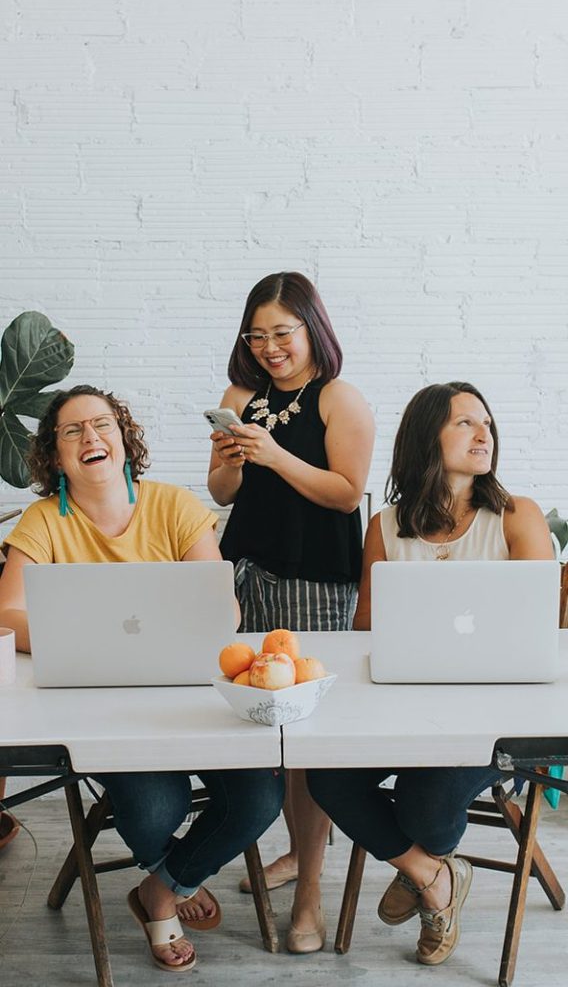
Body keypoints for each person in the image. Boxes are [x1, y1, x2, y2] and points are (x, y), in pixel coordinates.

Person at [0, 384, 284, 974]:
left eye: (101, 425)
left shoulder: (174, 505)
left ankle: (160, 889)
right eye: (72, 431)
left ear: (124, 440)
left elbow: (222, 609)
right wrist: (86, 641)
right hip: (95, 706)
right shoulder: (40, 521)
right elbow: (6, 615)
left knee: (262, 793)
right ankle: (173, 884)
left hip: (190, 693)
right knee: (158, 807)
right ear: (55, 456)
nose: (89, 438)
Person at [307, 380, 553, 967]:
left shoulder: (516, 516)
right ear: (425, 438)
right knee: (325, 776)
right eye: (465, 423)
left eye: (486, 423)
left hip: (496, 718)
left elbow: (538, 629)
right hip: (402, 708)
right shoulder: (386, 527)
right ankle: (433, 875)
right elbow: (366, 631)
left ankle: (417, 866)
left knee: (424, 805)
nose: (482, 432)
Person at [207, 271, 375, 953]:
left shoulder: (340, 398)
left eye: (283, 332)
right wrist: (232, 457)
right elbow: (222, 491)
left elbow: (346, 494)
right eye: (258, 334)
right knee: (259, 727)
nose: (271, 346)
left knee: (304, 742)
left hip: (316, 583)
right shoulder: (239, 397)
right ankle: (295, 853)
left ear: (313, 328)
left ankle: (309, 891)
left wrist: (273, 454)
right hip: (247, 574)